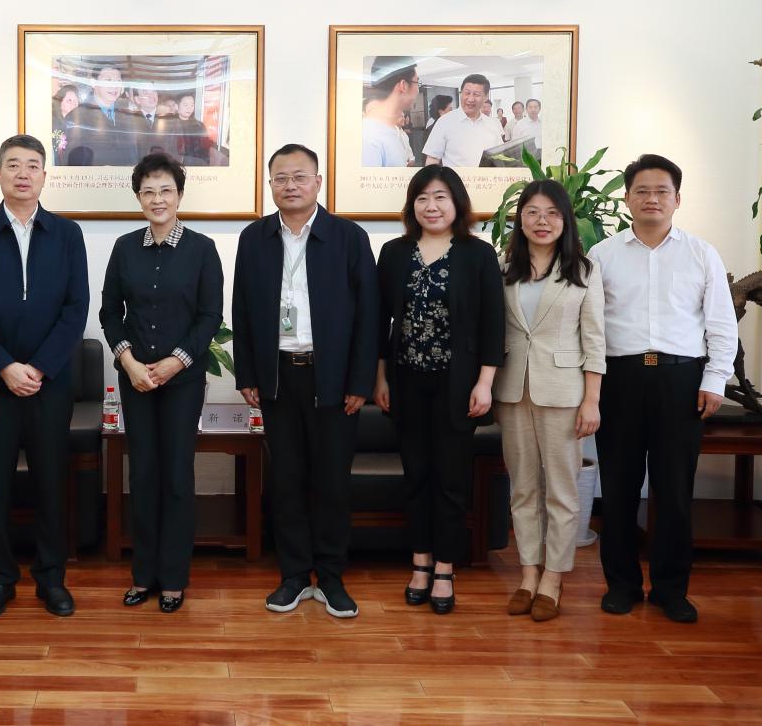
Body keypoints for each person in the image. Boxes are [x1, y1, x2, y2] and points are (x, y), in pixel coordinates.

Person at [588, 154, 736, 623]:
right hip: (620, 379)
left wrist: (715, 380)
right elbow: (589, 327)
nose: (652, 198)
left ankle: (672, 589)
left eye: (661, 191)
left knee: (674, 491)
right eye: (642, 191)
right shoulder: (602, 255)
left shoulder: (701, 253)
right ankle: (622, 585)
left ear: (677, 199)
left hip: (681, 380)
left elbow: (720, 323)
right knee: (618, 488)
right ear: (627, 198)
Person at [232, 144, 378, 618]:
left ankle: (331, 576)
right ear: (269, 184)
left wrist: (359, 380)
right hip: (277, 376)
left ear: (318, 182)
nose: (290, 185)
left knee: (332, 481)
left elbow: (370, 316)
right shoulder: (254, 238)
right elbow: (242, 309)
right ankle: (294, 575)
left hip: (332, 378)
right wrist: (247, 373)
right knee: (287, 480)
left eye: (299, 177)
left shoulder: (348, 237)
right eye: (281, 178)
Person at [0, 134, 89, 619]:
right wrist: (4, 366)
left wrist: (40, 367)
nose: (23, 173)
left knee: (51, 482)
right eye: (13, 165)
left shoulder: (67, 234)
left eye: (32, 165)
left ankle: (51, 578)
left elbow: (75, 308)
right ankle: (0, 578)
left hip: (51, 383)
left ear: (45, 176)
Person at [373, 166, 504, 614]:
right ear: (412, 205)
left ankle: (446, 567)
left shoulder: (478, 254)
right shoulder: (394, 253)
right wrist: (380, 378)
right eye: (423, 198)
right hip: (406, 381)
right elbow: (381, 321)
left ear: (457, 203)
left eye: (441, 197)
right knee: (416, 476)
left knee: (451, 480)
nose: (431, 206)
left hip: (458, 385)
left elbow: (493, 324)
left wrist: (485, 382)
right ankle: (420, 562)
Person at [101, 153, 223, 613]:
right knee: (143, 474)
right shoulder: (124, 248)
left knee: (176, 475)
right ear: (139, 198)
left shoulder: (202, 249)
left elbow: (210, 315)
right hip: (135, 379)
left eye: (165, 190)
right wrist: (129, 362)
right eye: (148, 191)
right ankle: (143, 575)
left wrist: (176, 362)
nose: (157, 199)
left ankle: (173, 578)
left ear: (179, 195)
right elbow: (110, 313)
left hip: (182, 381)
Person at [493, 180, 605, 622]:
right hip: (512, 390)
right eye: (533, 212)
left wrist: (592, 400)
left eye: (552, 213)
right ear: (520, 219)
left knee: (561, 489)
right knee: (522, 488)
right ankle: (527, 574)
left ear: (565, 220)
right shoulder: (504, 269)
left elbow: (594, 340)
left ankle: (553, 578)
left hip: (563, 392)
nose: (542, 221)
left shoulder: (584, 270)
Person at [64, 65, 140, 166]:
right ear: (93, 83)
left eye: (118, 81)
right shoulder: (76, 117)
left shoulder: (127, 115)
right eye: (108, 80)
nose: (114, 86)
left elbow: (134, 155)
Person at [422, 75, 504, 168]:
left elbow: (500, 156)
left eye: (476, 94)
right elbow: (432, 159)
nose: (470, 99)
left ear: (486, 97)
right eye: (467, 93)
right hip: (454, 178)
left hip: (487, 177)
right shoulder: (444, 122)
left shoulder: (492, 124)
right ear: (461, 93)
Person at [361, 57, 419, 168]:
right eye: (417, 82)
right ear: (403, 85)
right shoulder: (369, 138)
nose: (417, 90)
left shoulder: (393, 131)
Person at [158, 93, 216, 166]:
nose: (189, 108)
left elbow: (205, 149)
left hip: (197, 165)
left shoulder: (199, 125)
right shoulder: (169, 125)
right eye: (186, 105)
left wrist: (204, 165)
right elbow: (166, 149)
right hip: (176, 166)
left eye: (192, 105)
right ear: (177, 106)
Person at [51, 84, 80, 162]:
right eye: (69, 100)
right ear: (60, 102)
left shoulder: (75, 124)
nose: (74, 104)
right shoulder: (53, 124)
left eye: (76, 100)